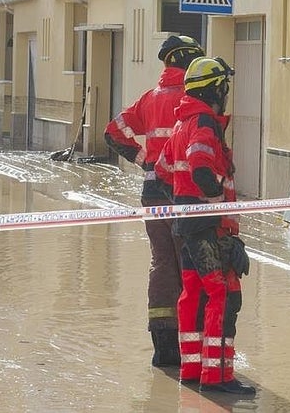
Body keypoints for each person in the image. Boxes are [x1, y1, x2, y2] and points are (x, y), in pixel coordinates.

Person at [104, 34, 204, 368]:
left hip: (152, 192)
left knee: (162, 262)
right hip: (184, 192)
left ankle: (163, 347)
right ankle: (192, 345)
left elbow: (112, 131)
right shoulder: (194, 99)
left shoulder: (149, 98)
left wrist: (140, 156)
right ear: (188, 62)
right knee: (189, 264)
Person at [165, 56, 255, 395]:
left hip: (186, 223)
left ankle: (192, 369)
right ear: (217, 88)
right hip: (207, 224)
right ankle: (217, 377)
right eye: (225, 86)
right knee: (224, 295)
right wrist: (217, 206)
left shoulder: (181, 122)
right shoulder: (203, 122)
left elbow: (162, 169)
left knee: (192, 294)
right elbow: (200, 167)